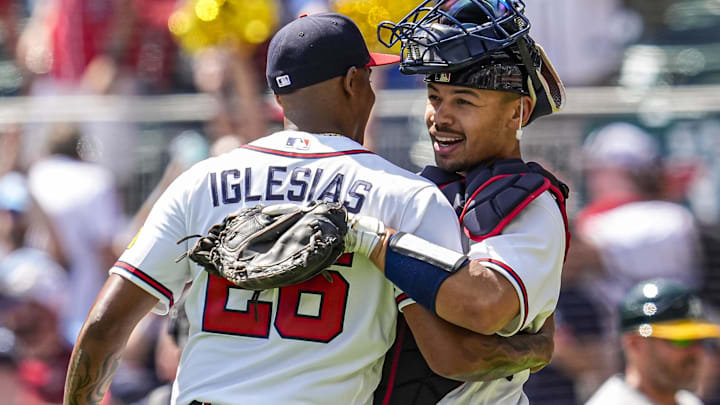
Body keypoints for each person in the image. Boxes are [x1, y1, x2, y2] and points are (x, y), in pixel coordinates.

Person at [64, 13, 553, 405]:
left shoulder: (201, 182)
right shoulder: (401, 197)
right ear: (353, 82)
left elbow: (103, 329)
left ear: (279, 95)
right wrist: (533, 349)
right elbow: (453, 356)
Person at [353, 0, 570, 403]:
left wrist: (376, 242)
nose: (441, 117)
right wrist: (532, 350)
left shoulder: (532, 206)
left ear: (518, 112)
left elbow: (485, 307)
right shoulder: (415, 190)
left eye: (463, 102)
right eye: (435, 97)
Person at [585, 278, 720, 405]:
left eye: (699, 340)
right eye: (682, 340)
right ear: (634, 343)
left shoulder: (689, 401)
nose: (697, 351)